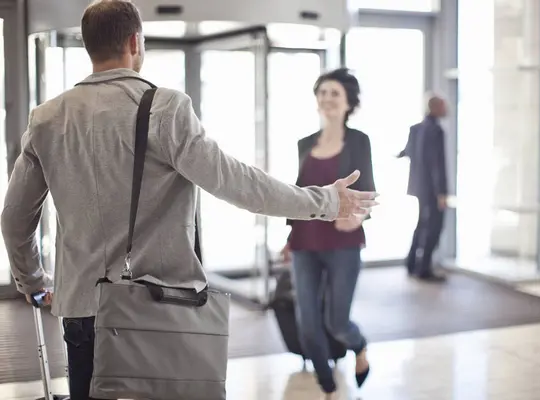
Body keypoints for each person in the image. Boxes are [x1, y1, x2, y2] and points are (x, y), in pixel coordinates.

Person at [0, 2, 378, 399]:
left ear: (88, 47)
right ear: (135, 42)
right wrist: (326, 201)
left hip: (79, 309)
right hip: (157, 307)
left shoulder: (46, 118)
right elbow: (237, 183)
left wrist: (34, 281)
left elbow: (14, 219)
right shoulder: (164, 108)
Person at [281, 68, 375, 398]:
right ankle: (329, 388)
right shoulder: (304, 144)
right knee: (307, 325)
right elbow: (299, 195)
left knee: (337, 323)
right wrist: (289, 239)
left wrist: (358, 217)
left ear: (349, 101)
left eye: (334, 93)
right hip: (306, 243)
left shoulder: (359, 141)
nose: (327, 98)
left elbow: (367, 192)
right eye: (322, 93)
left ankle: (359, 346)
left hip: (343, 244)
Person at [398, 94, 448, 282]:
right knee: (434, 227)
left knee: (421, 225)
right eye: (443, 105)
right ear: (435, 107)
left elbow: (407, 152)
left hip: (419, 187)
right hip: (432, 190)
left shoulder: (416, 129)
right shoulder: (436, 131)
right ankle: (423, 268)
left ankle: (412, 263)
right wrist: (441, 192)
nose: (446, 109)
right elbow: (437, 164)